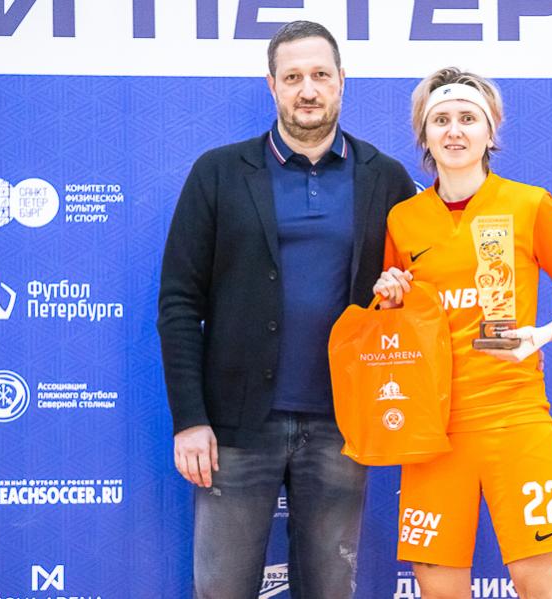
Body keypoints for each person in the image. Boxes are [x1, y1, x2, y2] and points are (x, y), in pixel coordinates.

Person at [157, 21, 416, 598]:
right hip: (235, 429)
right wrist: (190, 419)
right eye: (293, 77)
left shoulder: (386, 178)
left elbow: (418, 293)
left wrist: (402, 295)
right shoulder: (219, 173)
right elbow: (179, 303)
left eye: (320, 75)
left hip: (343, 427)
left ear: (342, 81)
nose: (308, 90)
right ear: (271, 85)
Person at [373, 67, 552, 599]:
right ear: (424, 133)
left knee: (538, 581)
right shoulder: (403, 220)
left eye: (468, 118)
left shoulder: (530, 204)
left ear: (491, 129)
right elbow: (393, 330)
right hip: (432, 432)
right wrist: (390, 302)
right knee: (438, 586)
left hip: (514, 417)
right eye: (441, 120)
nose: (454, 131)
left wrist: (540, 335)